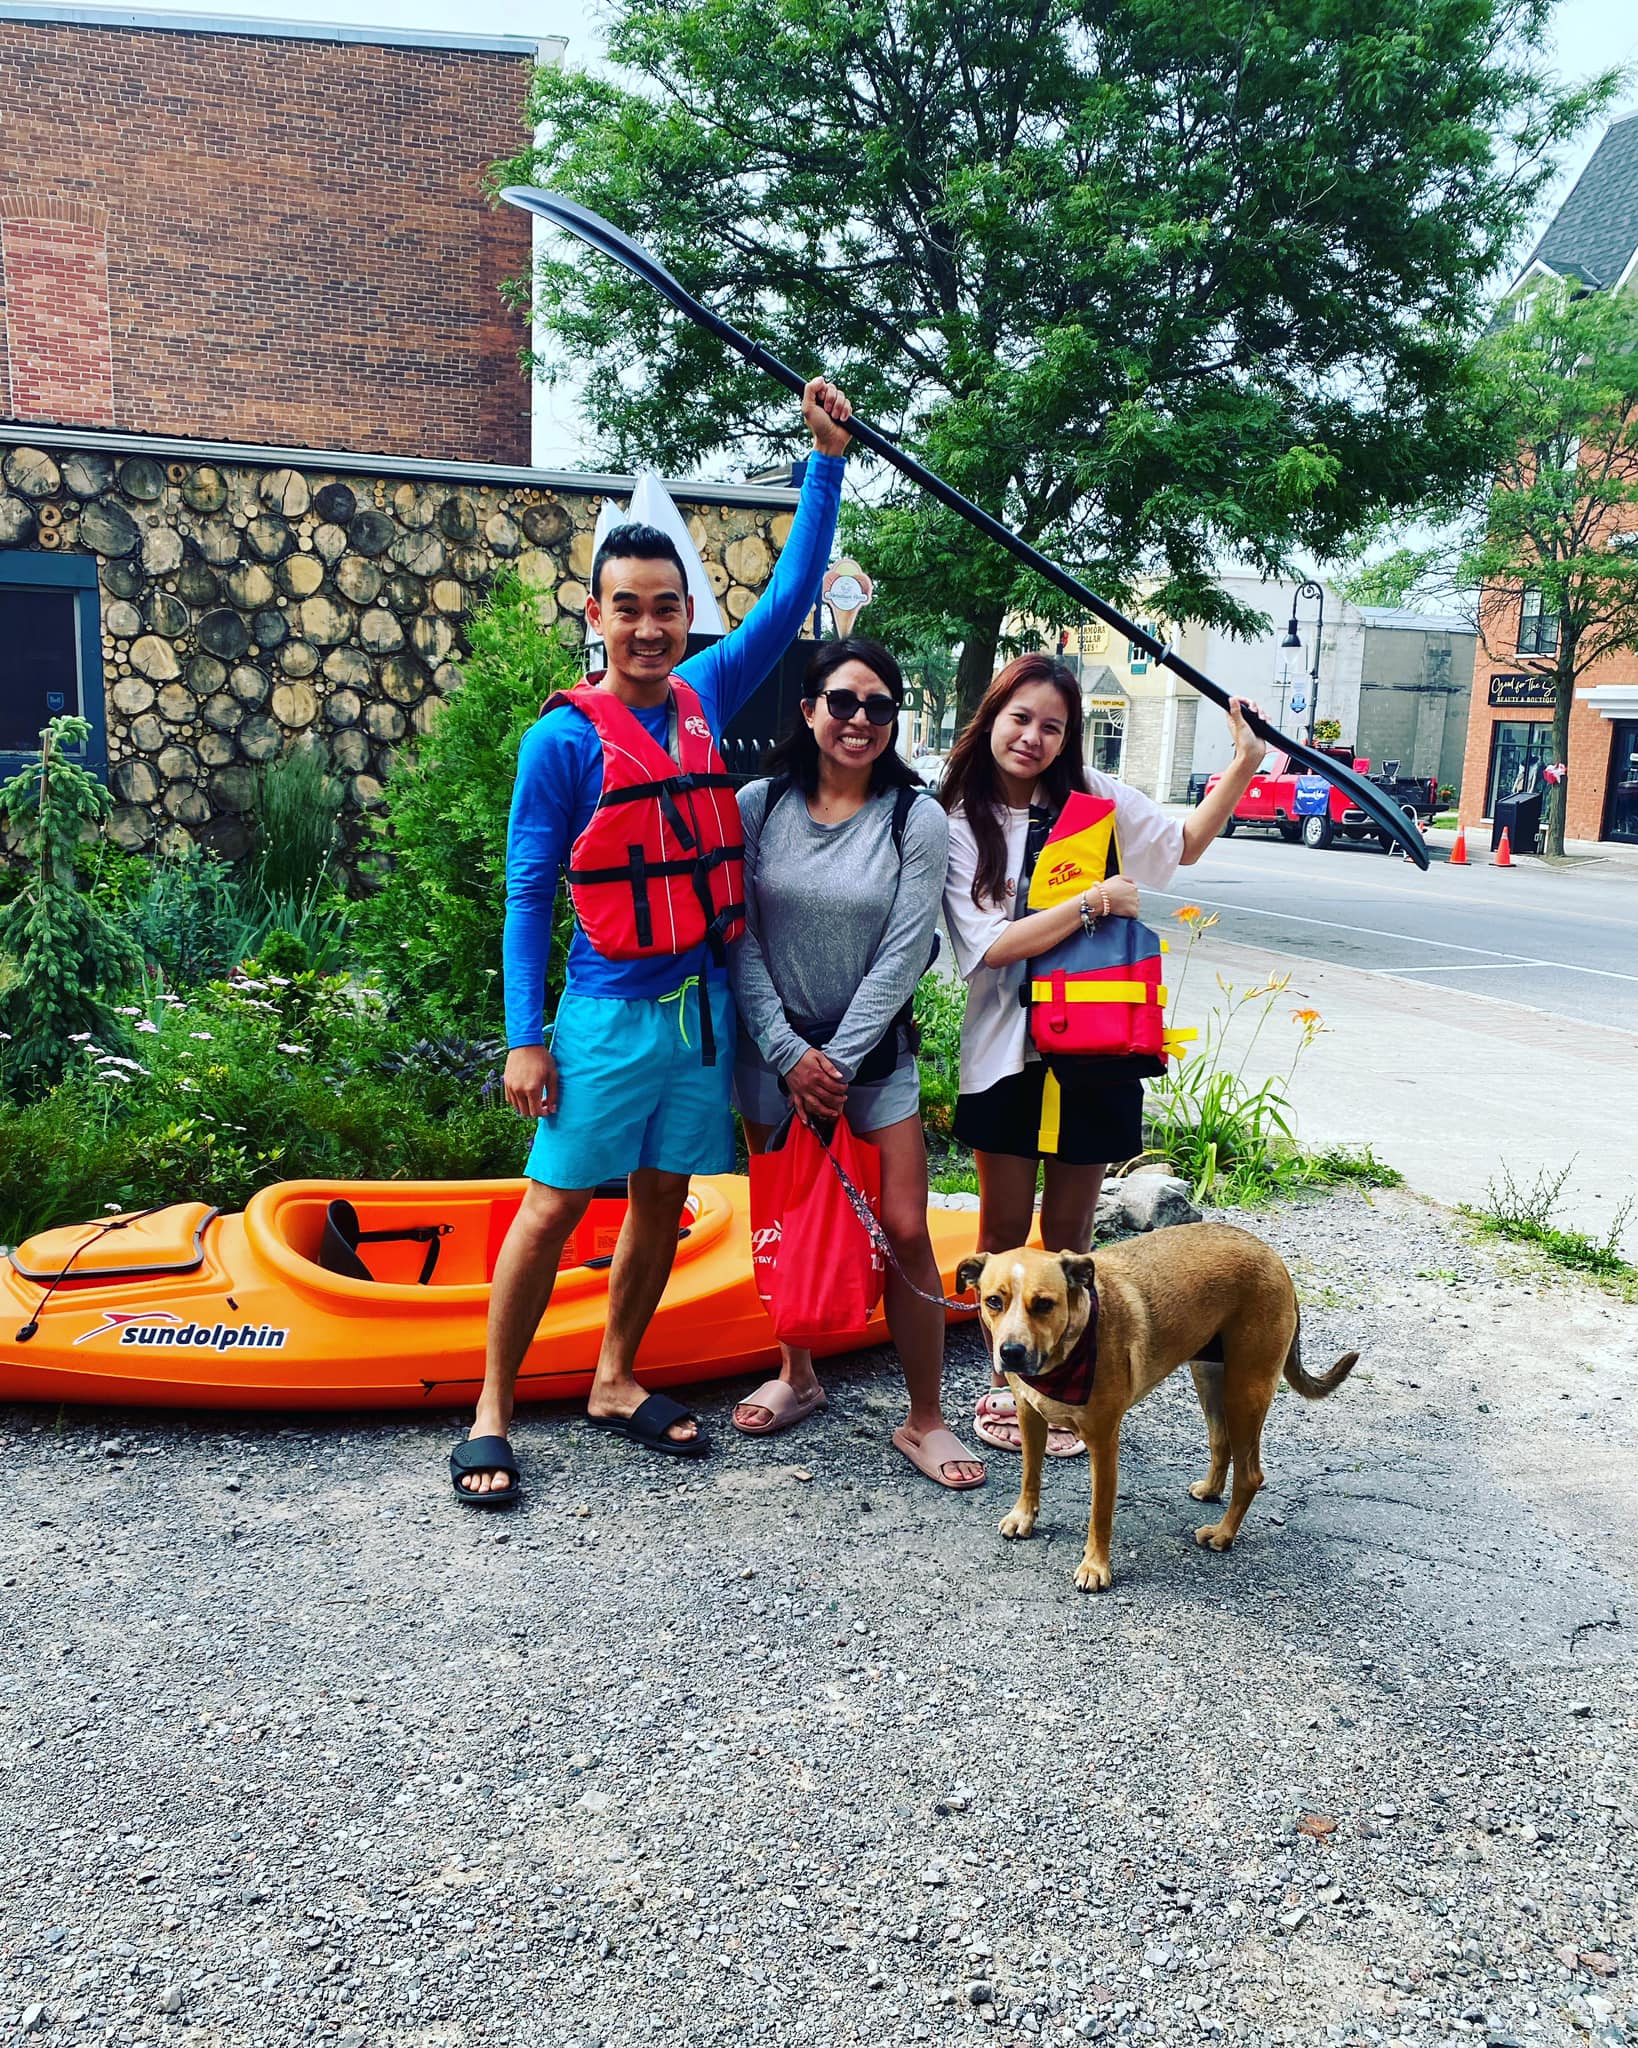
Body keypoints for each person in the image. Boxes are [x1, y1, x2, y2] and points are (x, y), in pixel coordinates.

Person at [451, 378, 853, 1502]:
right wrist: (524, 1037)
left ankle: (615, 1378)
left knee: (664, 1200)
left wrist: (824, 464)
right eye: (626, 608)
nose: (647, 627)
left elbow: (789, 598)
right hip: (605, 1013)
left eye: (665, 608)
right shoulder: (561, 742)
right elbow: (528, 896)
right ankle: (490, 1411)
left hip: (699, 1013)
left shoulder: (704, 694)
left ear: (686, 617)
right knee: (551, 1205)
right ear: (596, 614)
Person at [938, 655, 1262, 1458]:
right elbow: (988, 948)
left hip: (1096, 1048)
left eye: (1052, 726)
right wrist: (1092, 901)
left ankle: (1068, 1380)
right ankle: (1006, 1382)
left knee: (1072, 1236)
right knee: (1003, 1230)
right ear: (992, 718)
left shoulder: (1097, 800)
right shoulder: (959, 820)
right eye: (1020, 718)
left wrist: (1245, 763)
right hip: (1005, 1050)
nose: (1033, 737)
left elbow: (1181, 847)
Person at [728, 638, 985, 1489]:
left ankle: (925, 1417)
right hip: (773, 1057)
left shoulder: (915, 818)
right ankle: (797, 1373)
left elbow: (908, 949)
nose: (861, 720)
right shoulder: (759, 805)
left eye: (880, 706)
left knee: (906, 1227)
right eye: (843, 701)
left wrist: (832, 1065)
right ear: (808, 710)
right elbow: (738, 937)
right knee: (788, 1214)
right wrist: (787, 1053)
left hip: (870, 1059)